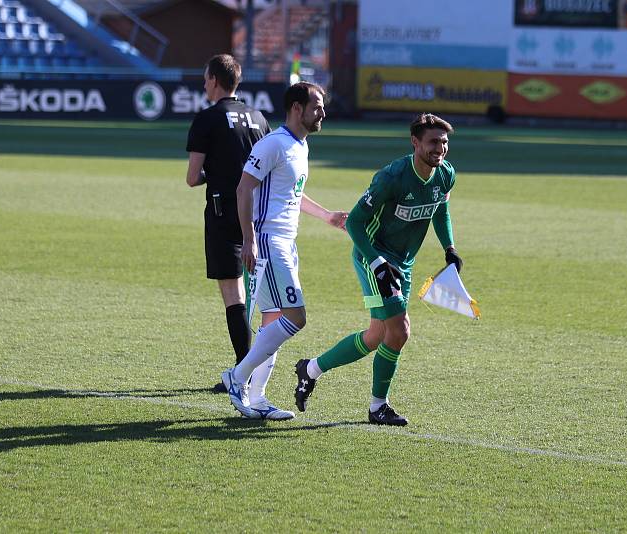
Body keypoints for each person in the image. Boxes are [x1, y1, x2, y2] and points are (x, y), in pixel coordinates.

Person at [293, 113, 463, 426]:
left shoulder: (445, 174)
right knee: (400, 330)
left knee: (376, 336)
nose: (440, 148)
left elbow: (441, 210)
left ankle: (310, 369)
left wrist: (449, 248)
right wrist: (377, 262)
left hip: (403, 262)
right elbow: (355, 222)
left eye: (444, 142)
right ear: (415, 142)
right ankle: (377, 407)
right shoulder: (392, 177)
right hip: (373, 255)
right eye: (433, 142)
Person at [221, 81, 348, 420]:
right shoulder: (273, 143)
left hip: (286, 242)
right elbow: (243, 188)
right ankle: (237, 376)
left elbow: (291, 193)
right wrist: (249, 239)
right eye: (317, 106)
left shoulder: (298, 146)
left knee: (274, 319)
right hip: (268, 241)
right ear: (296, 108)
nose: (322, 112)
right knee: (296, 317)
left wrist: (327, 216)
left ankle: (259, 398)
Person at [185, 54, 271, 393]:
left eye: (206, 79)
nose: (204, 85)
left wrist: (216, 174)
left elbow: (193, 177)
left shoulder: (207, 118)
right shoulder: (258, 118)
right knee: (262, 296)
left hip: (223, 214)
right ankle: (250, 370)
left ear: (216, 81)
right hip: (258, 213)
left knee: (233, 295)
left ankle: (243, 372)